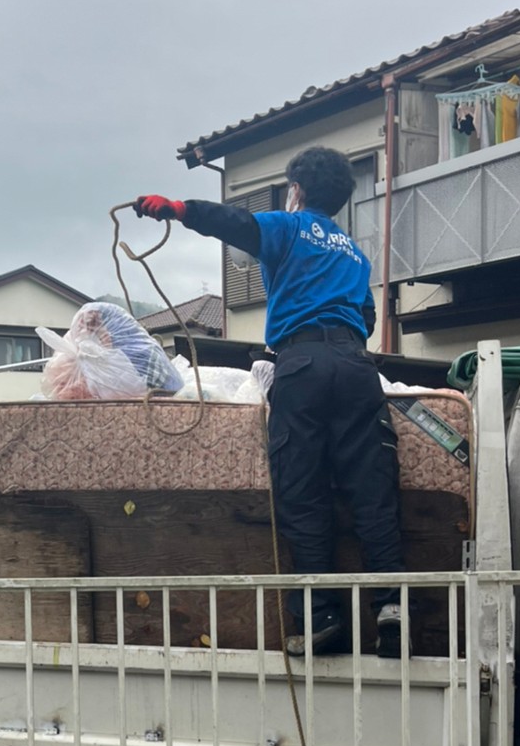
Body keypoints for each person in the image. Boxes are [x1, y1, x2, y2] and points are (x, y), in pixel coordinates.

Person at [135, 145, 407, 658]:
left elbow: (235, 223)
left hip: (301, 365)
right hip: (355, 368)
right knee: (373, 494)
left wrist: (178, 208)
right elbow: (367, 317)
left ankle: (322, 618)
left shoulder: (288, 226)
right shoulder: (352, 251)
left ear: (296, 190)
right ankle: (394, 613)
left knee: (303, 494)